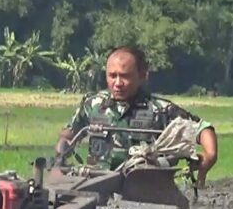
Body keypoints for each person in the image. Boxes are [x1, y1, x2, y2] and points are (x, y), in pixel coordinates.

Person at [52, 46, 218, 188]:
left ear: (142, 75)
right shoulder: (92, 104)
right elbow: (69, 134)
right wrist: (59, 162)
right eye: (112, 75)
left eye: (125, 76)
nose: (117, 83)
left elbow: (203, 128)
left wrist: (209, 156)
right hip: (96, 183)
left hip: (142, 188)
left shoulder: (160, 110)